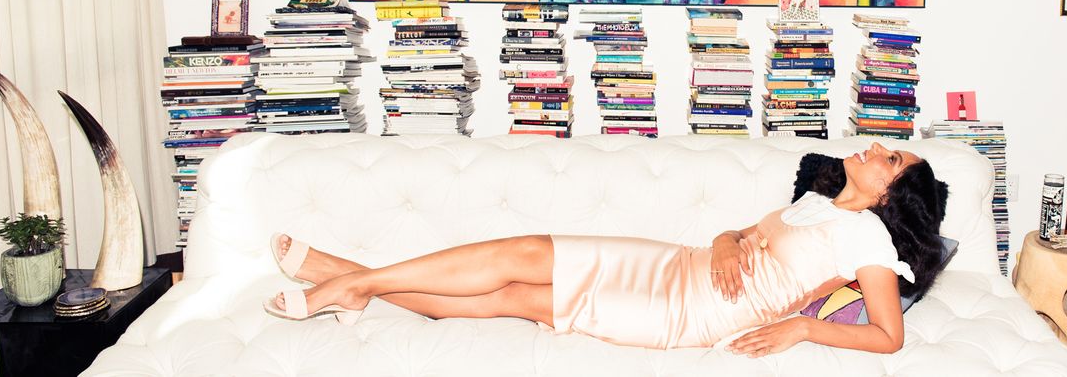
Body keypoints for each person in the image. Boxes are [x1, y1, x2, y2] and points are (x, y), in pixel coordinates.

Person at [264, 141, 950, 357]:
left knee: (515, 297)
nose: (875, 147)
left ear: (890, 195)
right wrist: (722, 242)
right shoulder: (819, 201)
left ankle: (348, 280)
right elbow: (742, 235)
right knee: (523, 248)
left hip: (692, 313)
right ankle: (351, 282)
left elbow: (888, 335)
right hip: (677, 262)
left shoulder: (868, 238)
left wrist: (801, 328)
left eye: (890, 159)